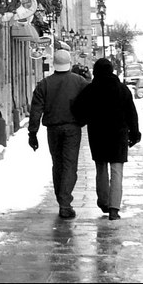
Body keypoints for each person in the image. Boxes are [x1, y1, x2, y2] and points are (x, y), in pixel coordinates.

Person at [72, 58, 141, 221]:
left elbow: (77, 108)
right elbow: (132, 113)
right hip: (118, 135)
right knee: (117, 171)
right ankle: (114, 208)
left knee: (101, 168)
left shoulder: (91, 89)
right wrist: (135, 133)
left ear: (95, 71)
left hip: (98, 134)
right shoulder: (122, 89)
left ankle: (103, 201)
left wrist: (85, 119)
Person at [27, 49, 89, 219]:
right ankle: (65, 202)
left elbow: (36, 110)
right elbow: (90, 100)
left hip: (53, 129)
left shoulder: (44, 84)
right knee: (70, 165)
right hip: (72, 128)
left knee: (58, 164)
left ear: (54, 63)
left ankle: (61, 199)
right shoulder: (79, 82)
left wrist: (32, 133)